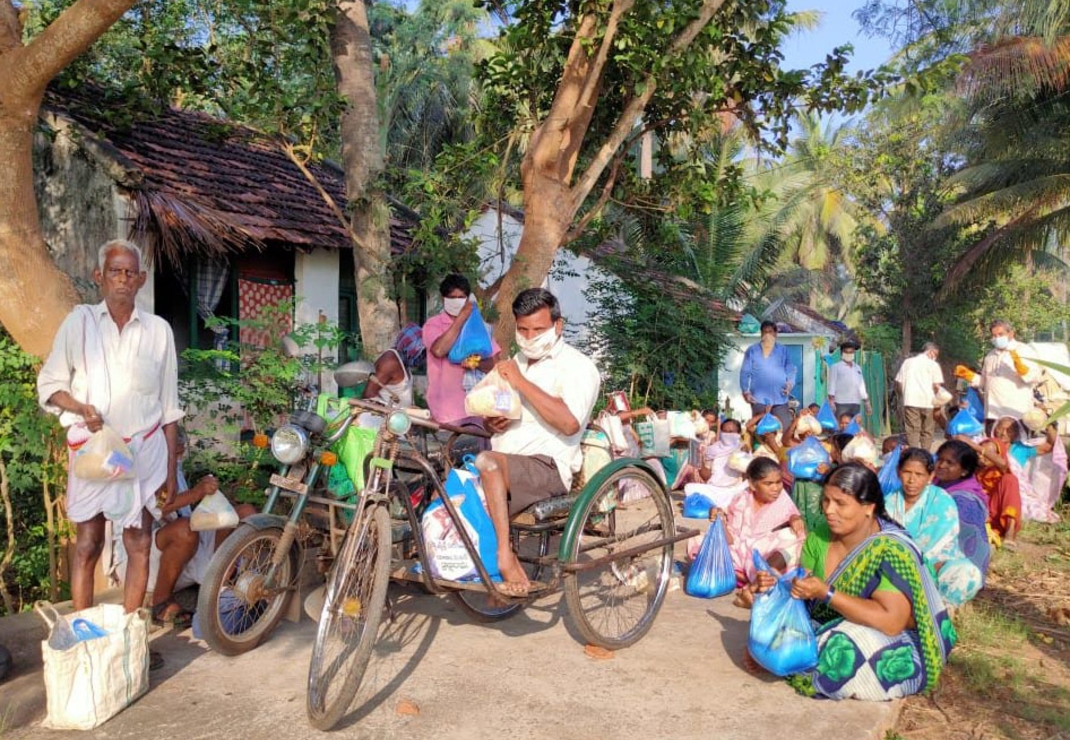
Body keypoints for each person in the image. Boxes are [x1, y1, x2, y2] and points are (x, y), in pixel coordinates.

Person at [37, 240, 184, 620]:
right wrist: (79, 407)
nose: (122, 279)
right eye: (115, 271)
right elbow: (50, 384)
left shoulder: (158, 331)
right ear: (99, 277)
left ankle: (129, 634)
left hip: (144, 453)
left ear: (141, 279)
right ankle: (84, 634)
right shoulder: (79, 323)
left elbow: (168, 406)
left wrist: (170, 471)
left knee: (139, 541)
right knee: (88, 543)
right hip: (95, 453)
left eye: (130, 272)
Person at [753, 464, 955, 700]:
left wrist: (827, 593)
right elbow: (804, 591)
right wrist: (776, 586)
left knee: (846, 646)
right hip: (833, 622)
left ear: (868, 508)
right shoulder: (819, 536)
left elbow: (891, 622)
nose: (829, 510)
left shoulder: (888, 549)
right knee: (771, 632)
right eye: (826, 501)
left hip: (900, 634)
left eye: (840, 503)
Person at [474, 289, 600, 596]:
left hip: (547, 467)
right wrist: (492, 420)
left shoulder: (578, 367)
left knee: (486, 462)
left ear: (558, 326)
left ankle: (504, 555)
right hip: (506, 457)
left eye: (539, 329)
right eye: (524, 329)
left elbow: (569, 423)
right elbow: (494, 409)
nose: (530, 337)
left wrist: (520, 382)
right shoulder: (514, 362)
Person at [111, 428, 257, 628]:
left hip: (185, 551)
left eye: (180, 453)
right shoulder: (144, 464)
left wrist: (209, 498)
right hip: (141, 562)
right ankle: (160, 603)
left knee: (244, 514)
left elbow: (184, 511)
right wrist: (198, 492)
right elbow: (158, 507)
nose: (178, 457)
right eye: (175, 452)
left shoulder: (174, 467)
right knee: (183, 530)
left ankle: (223, 583)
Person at [885, 448, 983, 607]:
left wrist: (921, 568)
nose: (911, 480)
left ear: (930, 476)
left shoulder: (942, 500)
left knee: (968, 574)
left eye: (919, 475)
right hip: (896, 567)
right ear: (898, 472)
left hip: (935, 566)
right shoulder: (888, 502)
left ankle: (940, 609)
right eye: (907, 472)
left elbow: (940, 543)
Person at [716, 457, 805, 607]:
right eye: (768, 484)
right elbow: (731, 540)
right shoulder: (741, 501)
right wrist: (719, 522)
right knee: (701, 543)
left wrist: (795, 518)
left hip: (768, 555)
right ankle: (755, 586)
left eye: (778, 482)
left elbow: (796, 524)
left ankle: (753, 588)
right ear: (752, 484)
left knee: (791, 538)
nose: (776, 488)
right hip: (742, 552)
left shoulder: (782, 499)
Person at [422, 273, 501, 424]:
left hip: (477, 408)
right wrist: (461, 318)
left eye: (461, 297)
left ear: (467, 298)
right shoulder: (434, 325)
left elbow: (495, 365)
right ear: (443, 298)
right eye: (452, 297)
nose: (456, 301)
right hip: (446, 411)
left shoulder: (478, 327)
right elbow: (438, 350)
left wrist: (476, 362)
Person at [956, 320, 1041, 426]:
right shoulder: (990, 355)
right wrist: (969, 375)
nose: (997, 338)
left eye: (1000, 334)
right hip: (993, 412)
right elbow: (984, 382)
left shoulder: (1024, 350)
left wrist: (1022, 369)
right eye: (994, 336)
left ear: (1011, 333)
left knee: (1016, 442)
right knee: (993, 442)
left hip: (1016, 412)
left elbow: (1035, 377)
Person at [932, 440, 992, 578]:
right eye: (939, 460)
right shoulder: (936, 485)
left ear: (964, 470)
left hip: (958, 567)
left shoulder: (965, 501)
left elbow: (951, 538)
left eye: (950, 463)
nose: (941, 465)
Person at [740, 321, 796, 429]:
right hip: (759, 399)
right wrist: (745, 392)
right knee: (760, 430)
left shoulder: (783, 350)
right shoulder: (752, 351)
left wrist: (789, 385)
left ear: (776, 334)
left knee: (783, 429)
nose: (767, 335)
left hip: (780, 398)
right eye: (764, 332)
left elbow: (790, 370)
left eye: (770, 332)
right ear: (761, 334)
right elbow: (745, 372)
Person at [972, 436, 1022, 548]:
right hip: (978, 513)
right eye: (979, 452)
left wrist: (979, 449)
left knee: (1010, 480)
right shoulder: (973, 469)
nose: (981, 456)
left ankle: (1010, 532)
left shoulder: (1002, 470)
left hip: (996, 513)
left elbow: (1003, 464)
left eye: (988, 454)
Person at [894, 342, 946, 451]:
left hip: (911, 401)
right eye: (936, 354)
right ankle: (925, 453)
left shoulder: (907, 362)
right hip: (929, 402)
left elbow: (899, 383)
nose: (936, 357)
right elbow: (936, 386)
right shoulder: (933, 365)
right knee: (927, 430)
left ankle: (914, 453)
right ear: (931, 352)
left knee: (912, 429)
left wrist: (903, 395)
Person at [827, 340, 871, 421]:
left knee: (854, 426)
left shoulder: (857, 368)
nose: (849, 354)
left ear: (854, 353)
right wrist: (831, 402)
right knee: (842, 425)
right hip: (841, 403)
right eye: (846, 352)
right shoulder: (836, 367)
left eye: (851, 352)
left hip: (855, 403)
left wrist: (866, 402)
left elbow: (861, 386)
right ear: (842, 353)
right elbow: (832, 385)